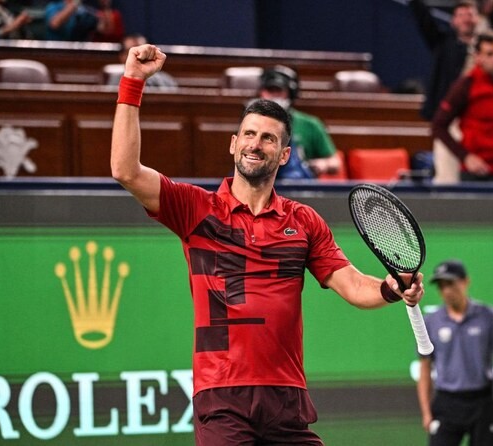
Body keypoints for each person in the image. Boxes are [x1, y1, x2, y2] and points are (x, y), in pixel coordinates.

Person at [110, 43, 425, 445]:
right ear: (233, 143)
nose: (256, 144)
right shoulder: (195, 209)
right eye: (249, 134)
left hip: (285, 400)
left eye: (269, 139)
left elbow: (353, 286)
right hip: (222, 395)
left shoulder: (304, 221)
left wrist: (390, 287)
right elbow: (124, 170)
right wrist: (133, 82)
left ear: (284, 154)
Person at [417, 259, 493, 446]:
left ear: (465, 282)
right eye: (441, 286)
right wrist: (426, 412)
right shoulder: (431, 321)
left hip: (481, 401)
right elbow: (424, 368)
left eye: (450, 283)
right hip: (446, 402)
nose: (446, 291)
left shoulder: (488, 316)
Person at [432, 30, 493, 181]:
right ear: (478, 57)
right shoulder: (465, 86)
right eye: (490, 54)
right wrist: (465, 157)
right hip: (477, 173)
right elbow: (438, 125)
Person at [409, 0, 483, 183]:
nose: (467, 19)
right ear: (453, 21)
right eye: (461, 15)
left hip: (478, 124)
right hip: (448, 121)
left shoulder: (487, 50)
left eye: (470, 14)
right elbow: (423, 19)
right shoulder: (443, 45)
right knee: (446, 178)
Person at [257, 65, 342, 179]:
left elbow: (335, 163)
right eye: (269, 90)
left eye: (278, 90)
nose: (273, 96)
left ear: (290, 93)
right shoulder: (252, 123)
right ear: (261, 93)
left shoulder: (310, 124)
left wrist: (322, 164)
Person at [105, 33, 178, 90]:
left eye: (143, 52)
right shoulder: (115, 80)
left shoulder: (167, 81)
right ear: (122, 56)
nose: (138, 57)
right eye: (131, 53)